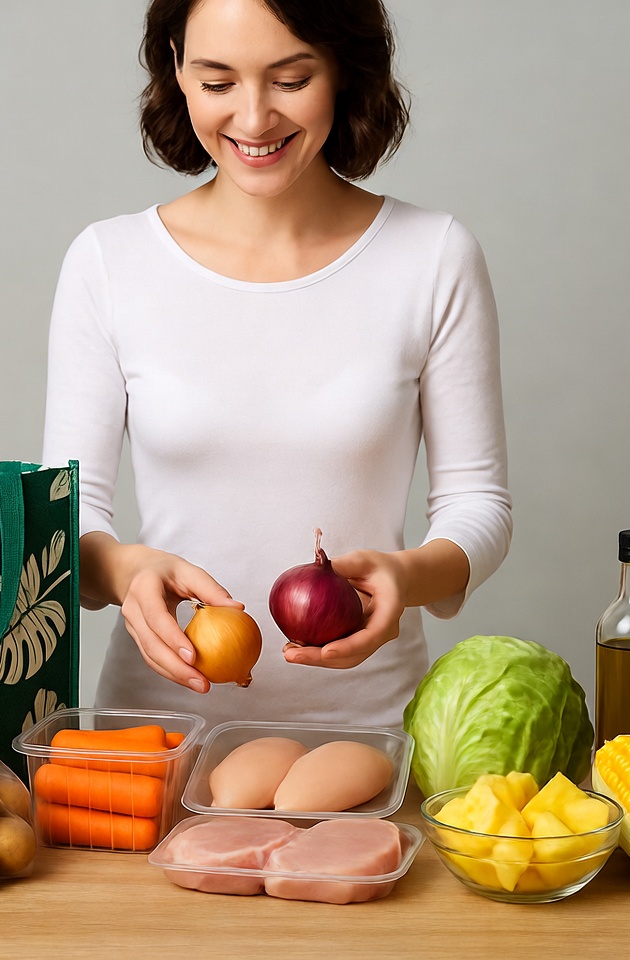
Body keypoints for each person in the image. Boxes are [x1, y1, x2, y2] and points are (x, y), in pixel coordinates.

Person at [42, 0, 512, 729]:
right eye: (218, 81)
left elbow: (479, 505)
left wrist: (404, 576)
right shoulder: (110, 262)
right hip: (157, 737)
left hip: (371, 735)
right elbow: (67, 517)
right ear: (176, 69)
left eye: (291, 79)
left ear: (343, 72)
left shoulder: (433, 256)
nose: (255, 119)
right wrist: (127, 571)